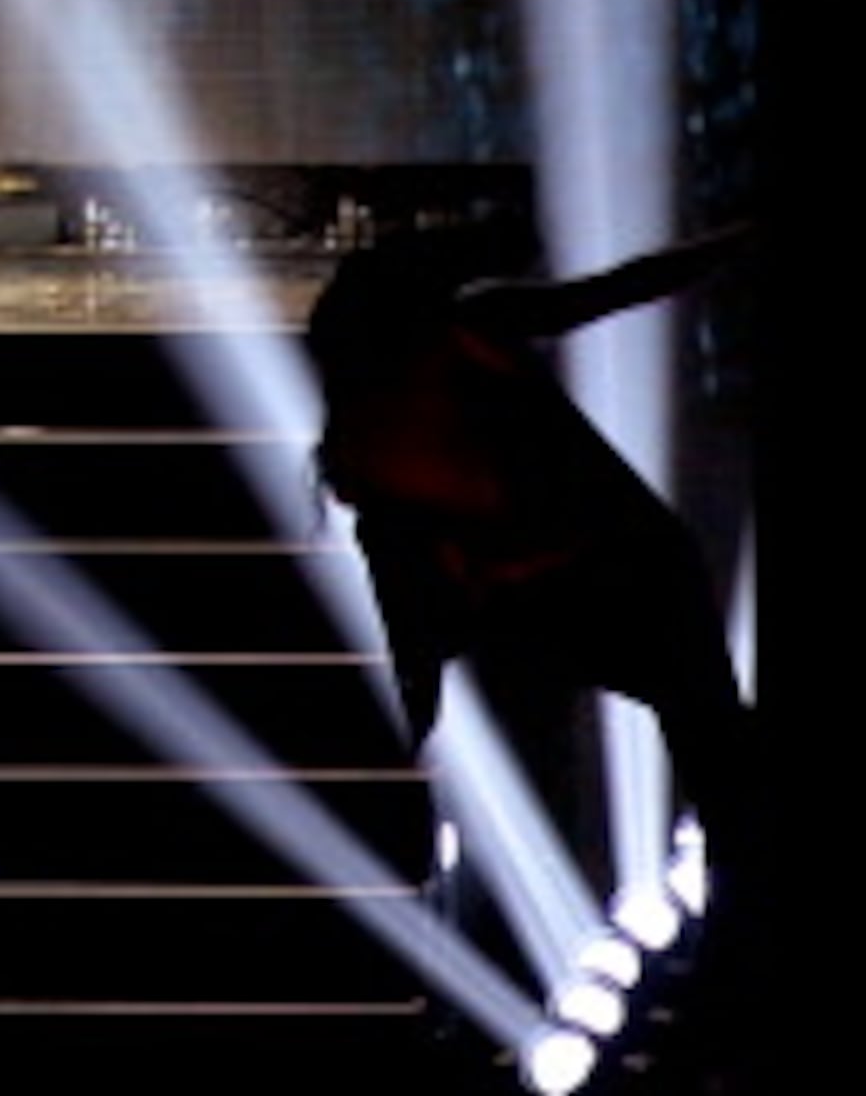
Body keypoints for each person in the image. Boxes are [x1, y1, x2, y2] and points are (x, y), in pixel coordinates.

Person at [303, 213, 757, 886]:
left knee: (708, 737)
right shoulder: (376, 451)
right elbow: (413, 620)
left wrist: (729, 244)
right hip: (547, 593)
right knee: (681, 732)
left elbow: (616, 289)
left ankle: (735, 876)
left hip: (621, 568)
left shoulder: (461, 338)